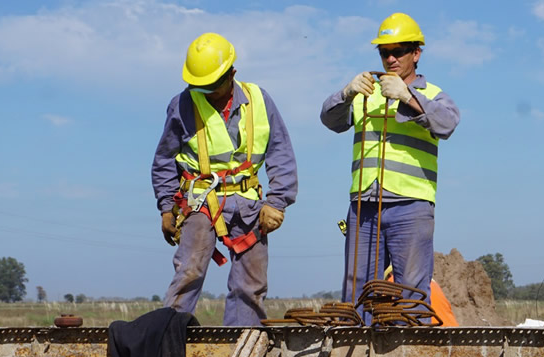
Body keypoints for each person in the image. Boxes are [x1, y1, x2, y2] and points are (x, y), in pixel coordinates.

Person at [320, 13, 460, 322]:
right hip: (363, 206)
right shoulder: (364, 94)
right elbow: (329, 120)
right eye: (385, 52)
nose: (391, 58)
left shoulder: (432, 94)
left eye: (399, 51)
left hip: (410, 207)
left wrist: (408, 97)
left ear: (416, 54)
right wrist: (345, 93)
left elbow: (448, 123)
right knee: (358, 293)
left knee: (410, 294)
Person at [152, 32, 298, 326]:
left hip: (249, 202)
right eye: (199, 85)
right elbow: (165, 158)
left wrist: (278, 201)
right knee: (189, 273)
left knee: (251, 284)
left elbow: (280, 151)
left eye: (211, 85)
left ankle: (243, 345)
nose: (205, 92)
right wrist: (167, 207)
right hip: (200, 200)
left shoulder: (259, 100)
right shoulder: (182, 104)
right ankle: (166, 341)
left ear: (232, 73)